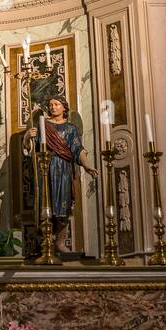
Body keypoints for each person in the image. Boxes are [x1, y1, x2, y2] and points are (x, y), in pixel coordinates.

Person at [24, 95, 97, 254]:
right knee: (46, 203)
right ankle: (47, 241)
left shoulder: (71, 128)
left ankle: (60, 242)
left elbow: (78, 150)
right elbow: (31, 148)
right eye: (50, 104)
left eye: (56, 104)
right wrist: (27, 137)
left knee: (63, 205)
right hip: (45, 168)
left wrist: (88, 166)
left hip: (63, 170)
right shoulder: (42, 124)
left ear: (64, 107)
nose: (53, 107)